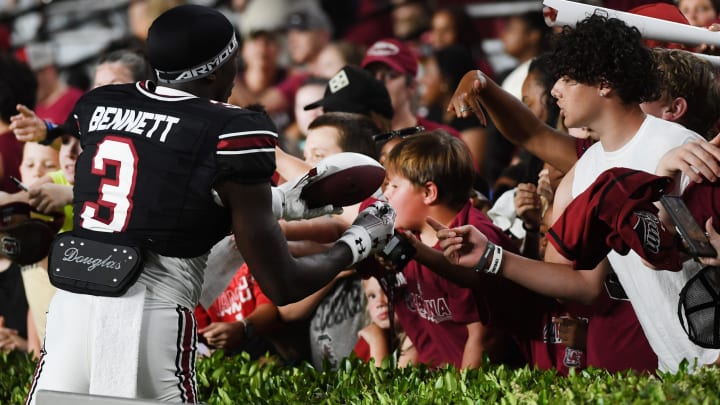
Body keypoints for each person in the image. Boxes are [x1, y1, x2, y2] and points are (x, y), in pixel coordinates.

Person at [16, 6, 395, 403]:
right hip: (149, 323)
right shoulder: (232, 128)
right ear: (217, 69)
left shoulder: (100, 103)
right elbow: (283, 284)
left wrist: (280, 202)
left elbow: (162, 190)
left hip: (70, 316)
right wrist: (357, 241)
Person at [441, 14, 719, 373]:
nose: (555, 89)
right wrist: (492, 256)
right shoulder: (586, 170)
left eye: (569, 78)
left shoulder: (677, 145)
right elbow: (584, 284)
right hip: (673, 368)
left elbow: (682, 251)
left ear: (604, 83)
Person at [378, 130, 520, 369]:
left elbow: (485, 337)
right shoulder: (411, 235)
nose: (385, 195)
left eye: (393, 186)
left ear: (428, 192)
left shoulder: (469, 243)